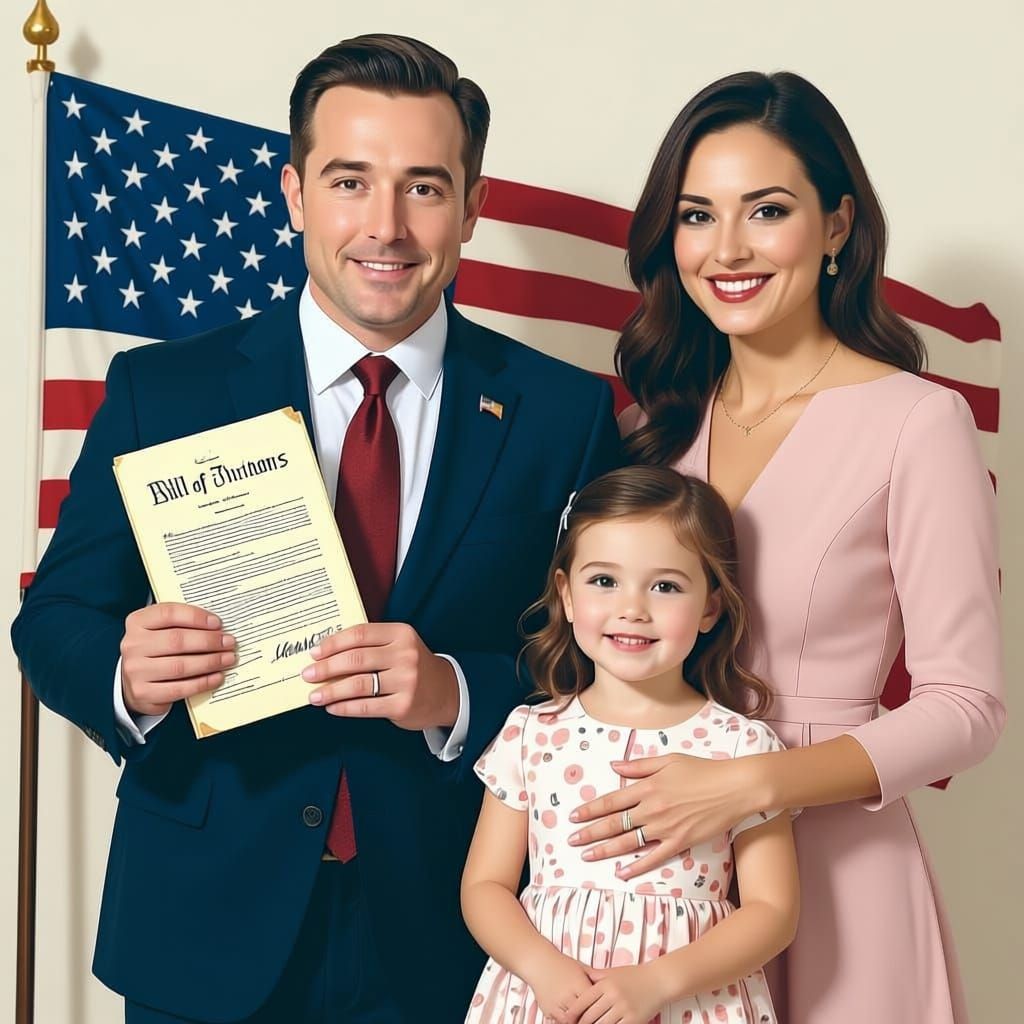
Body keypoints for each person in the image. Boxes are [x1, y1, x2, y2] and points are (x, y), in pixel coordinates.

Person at [11, 34, 622, 1024]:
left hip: (453, 924)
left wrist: (455, 691)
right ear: (295, 194)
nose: (385, 226)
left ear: (471, 208)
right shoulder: (161, 390)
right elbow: (54, 619)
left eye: (424, 187)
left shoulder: (563, 415)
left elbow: (610, 665)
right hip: (201, 925)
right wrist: (127, 675)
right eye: (350, 181)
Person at [566, 72, 1005, 1023]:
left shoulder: (918, 422)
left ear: (838, 225)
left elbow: (967, 706)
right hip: (653, 887)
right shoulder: (653, 431)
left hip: (844, 879)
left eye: (766, 210)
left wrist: (750, 786)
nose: (726, 250)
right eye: (696, 215)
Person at [462, 466, 799, 1024]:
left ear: (711, 607)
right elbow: (485, 884)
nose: (633, 608)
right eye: (603, 581)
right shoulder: (530, 732)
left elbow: (773, 910)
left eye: (665, 586)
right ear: (566, 596)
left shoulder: (742, 744)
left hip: (690, 1002)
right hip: (549, 1000)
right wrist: (545, 971)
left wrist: (657, 983)